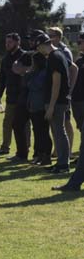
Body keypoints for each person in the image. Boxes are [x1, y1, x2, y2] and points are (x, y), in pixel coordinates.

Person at [34, 33, 71, 174]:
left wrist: (51, 106)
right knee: (57, 132)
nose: (38, 51)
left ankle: (63, 165)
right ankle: (61, 163)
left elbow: (56, 83)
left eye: (38, 47)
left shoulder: (54, 57)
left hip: (56, 102)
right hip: (58, 101)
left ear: (43, 45)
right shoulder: (58, 55)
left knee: (59, 132)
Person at [53, 33, 84, 191]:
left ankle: (74, 183)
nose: (78, 44)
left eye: (80, 42)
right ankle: (74, 183)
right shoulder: (79, 61)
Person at [0, 33, 25, 157]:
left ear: (17, 43)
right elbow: (2, 79)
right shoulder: (6, 58)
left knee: (23, 124)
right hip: (11, 97)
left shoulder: (24, 56)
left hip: (23, 97)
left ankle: (24, 148)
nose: (7, 45)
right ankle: (5, 147)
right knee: (7, 123)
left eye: (9, 42)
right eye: (6, 42)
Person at [48, 27, 78, 157]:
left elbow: (73, 70)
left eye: (52, 35)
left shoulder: (64, 51)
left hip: (63, 94)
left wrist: (69, 90)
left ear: (59, 37)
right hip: (55, 92)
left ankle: (69, 150)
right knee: (56, 122)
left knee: (65, 121)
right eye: (48, 35)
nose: (49, 38)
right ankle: (57, 149)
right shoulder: (52, 51)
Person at [22, 52, 52, 166]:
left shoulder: (43, 73)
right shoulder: (35, 72)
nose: (32, 64)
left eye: (33, 62)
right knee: (37, 132)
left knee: (43, 132)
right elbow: (26, 82)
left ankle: (46, 156)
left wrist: (29, 76)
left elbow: (34, 85)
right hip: (33, 106)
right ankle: (39, 155)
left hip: (41, 106)